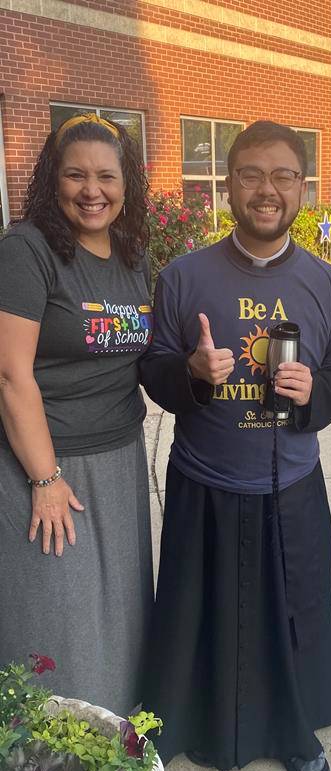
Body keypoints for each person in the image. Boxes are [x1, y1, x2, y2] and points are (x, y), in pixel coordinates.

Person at [140, 121, 331, 771]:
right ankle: (177, 722)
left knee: (288, 618)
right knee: (193, 616)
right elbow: (152, 368)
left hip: (289, 481)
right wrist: (194, 376)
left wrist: (317, 388)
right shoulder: (182, 277)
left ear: (302, 187)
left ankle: (290, 728)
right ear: (229, 184)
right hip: (204, 478)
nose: (267, 190)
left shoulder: (330, 284)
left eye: (283, 176)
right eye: (251, 174)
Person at [0, 113, 153, 716]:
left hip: (119, 457)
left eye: (106, 177)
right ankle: (54, 756)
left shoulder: (131, 253)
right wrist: (44, 479)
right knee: (59, 620)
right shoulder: (26, 250)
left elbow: (141, 355)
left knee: (119, 612)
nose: (92, 191)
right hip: (47, 464)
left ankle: (119, 740)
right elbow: (12, 376)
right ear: (51, 180)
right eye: (75, 175)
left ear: (126, 183)